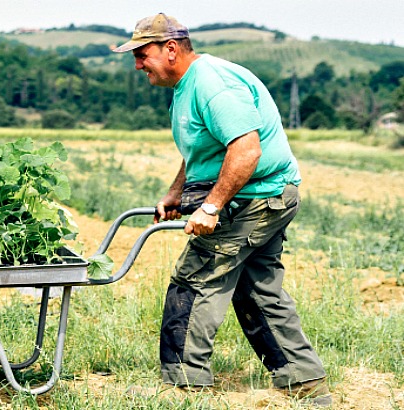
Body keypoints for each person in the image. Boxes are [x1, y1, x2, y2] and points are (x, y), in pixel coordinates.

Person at [111, 13, 330, 405]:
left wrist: (210, 207)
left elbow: (246, 150)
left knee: (194, 282)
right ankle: (304, 382)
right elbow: (205, 147)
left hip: (256, 198)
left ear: (171, 49)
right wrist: (178, 191)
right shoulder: (187, 85)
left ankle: (185, 387)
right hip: (265, 194)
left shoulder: (212, 83)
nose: (138, 64)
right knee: (258, 290)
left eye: (142, 54)